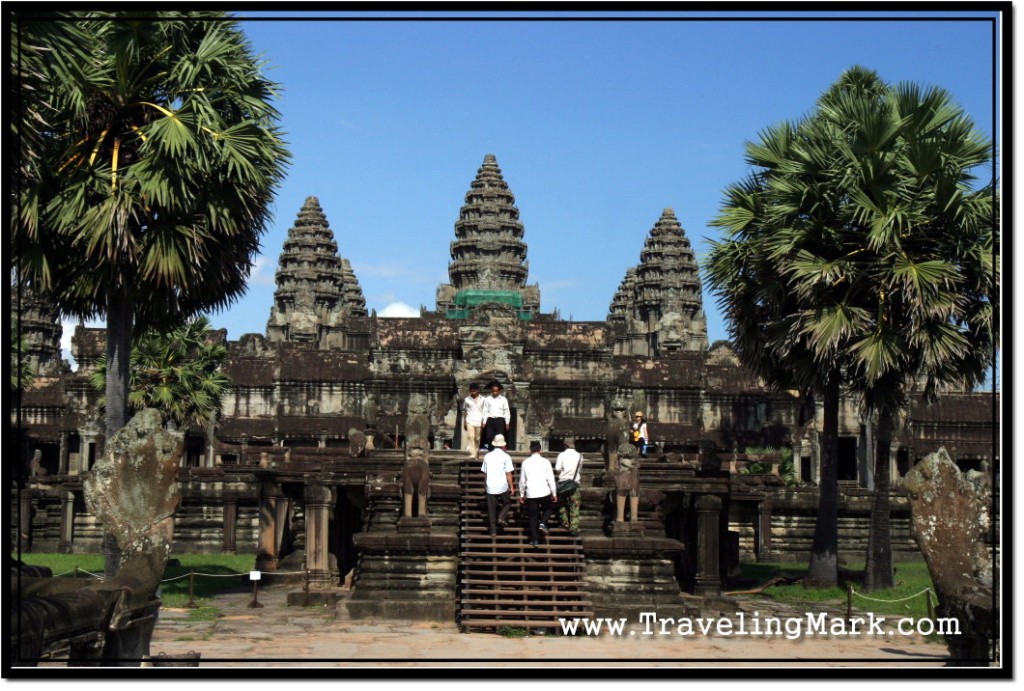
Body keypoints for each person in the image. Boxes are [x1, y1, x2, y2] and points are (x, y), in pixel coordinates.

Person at [519, 440, 557, 548]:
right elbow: (550, 479)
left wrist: (522, 495)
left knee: (533, 517)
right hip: (544, 491)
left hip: (531, 493)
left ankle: (535, 540)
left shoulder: (525, 463)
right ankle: (543, 523)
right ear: (540, 450)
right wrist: (554, 493)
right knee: (549, 508)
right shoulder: (546, 462)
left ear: (530, 450)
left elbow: (522, 481)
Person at [480, 434, 515, 537]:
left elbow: (485, 473)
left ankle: (493, 530)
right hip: (502, 485)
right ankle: (501, 517)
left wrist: (486, 483)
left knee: (491, 509)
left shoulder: (487, 456)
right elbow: (509, 473)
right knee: (507, 503)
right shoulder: (506, 456)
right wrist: (511, 486)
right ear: (503, 445)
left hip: (490, 486)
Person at [554, 438, 582, 536]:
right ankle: (573, 527)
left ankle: (565, 522)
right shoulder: (579, 456)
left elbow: (557, 469)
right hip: (574, 483)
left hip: (563, 483)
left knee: (562, 503)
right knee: (574, 505)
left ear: (564, 445)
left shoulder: (561, 455)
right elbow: (580, 469)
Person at [481, 380, 511, 450]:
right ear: (491, 391)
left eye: (496, 391)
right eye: (493, 391)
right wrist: (484, 421)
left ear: (499, 391)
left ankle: (499, 451)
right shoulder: (487, 399)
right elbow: (485, 410)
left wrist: (507, 422)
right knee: (489, 437)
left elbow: (506, 411)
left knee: (499, 437)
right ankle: (490, 450)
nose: (495, 392)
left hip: (500, 420)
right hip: (490, 419)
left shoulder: (503, 400)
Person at [462, 382, 485, 459]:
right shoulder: (467, 399)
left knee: (477, 438)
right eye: (471, 391)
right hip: (470, 420)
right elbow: (465, 411)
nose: (473, 392)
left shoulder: (483, 400)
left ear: (478, 390)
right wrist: (465, 421)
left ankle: (476, 451)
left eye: (474, 390)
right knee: (471, 436)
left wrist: (483, 421)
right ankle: (472, 453)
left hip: (479, 420)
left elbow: (485, 411)